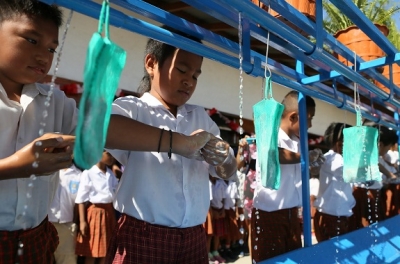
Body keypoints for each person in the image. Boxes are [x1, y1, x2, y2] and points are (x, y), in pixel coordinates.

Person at [104, 27, 237, 264]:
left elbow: (227, 171)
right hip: (143, 236)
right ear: (151, 64)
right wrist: (179, 144)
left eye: (196, 75)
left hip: (194, 236)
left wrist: (223, 157)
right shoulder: (134, 109)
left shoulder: (200, 117)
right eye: (182, 70)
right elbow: (103, 130)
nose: (189, 81)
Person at [0, 1, 77, 263]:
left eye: (52, 48)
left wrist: (177, 142)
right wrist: (13, 166)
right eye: (32, 40)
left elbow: (104, 130)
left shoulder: (54, 100)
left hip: (36, 240)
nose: (44, 56)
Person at [251, 90, 316, 262]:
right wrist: (305, 157)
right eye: (309, 118)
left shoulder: (297, 141)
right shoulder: (270, 135)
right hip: (269, 212)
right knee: (270, 259)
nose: (310, 124)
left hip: (290, 212)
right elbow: (274, 154)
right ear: (294, 117)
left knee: (293, 257)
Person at [350, 121, 398, 229]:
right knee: (367, 226)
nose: (388, 150)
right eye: (388, 147)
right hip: (366, 196)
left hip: (370, 193)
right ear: (380, 144)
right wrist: (389, 174)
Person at [313, 123, 356, 242]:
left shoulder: (333, 158)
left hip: (334, 215)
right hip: (332, 216)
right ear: (340, 143)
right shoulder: (334, 159)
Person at [75, 151, 119, 264]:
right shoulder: (89, 173)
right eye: (109, 154)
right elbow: (81, 199)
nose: (112, 157)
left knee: (106, 251)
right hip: (95, 214)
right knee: (92, 252)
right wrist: (82, 221)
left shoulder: (110, 174)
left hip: (109, 214)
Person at [49, 164, 82, 264]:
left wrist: (77, 223)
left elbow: (79, 201)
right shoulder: (49, 171)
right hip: (47, 222)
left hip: (67, 224)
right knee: (44, 256)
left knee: (67, 258)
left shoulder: (78, 175)